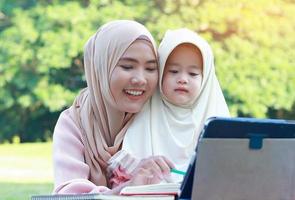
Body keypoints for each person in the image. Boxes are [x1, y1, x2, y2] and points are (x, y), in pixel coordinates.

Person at [52, 20, 174, 195]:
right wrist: (128, 188)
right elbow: (68, 194)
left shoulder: (156, 116)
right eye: (127, 66)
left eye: (150, 68)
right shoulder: (75, 122)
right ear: (101, 67)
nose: (140, 79)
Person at [121, 28, 230, 182]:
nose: (183, 79)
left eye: (193, 74)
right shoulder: (142, 114)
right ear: (160, 72)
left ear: (205, 79)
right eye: (173, 71)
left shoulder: (215, 117)